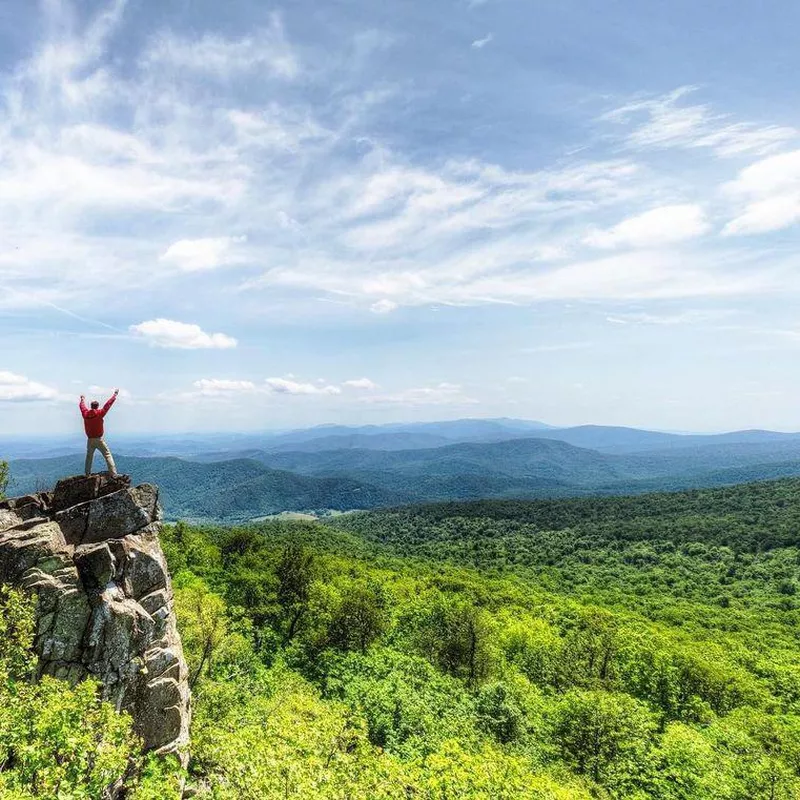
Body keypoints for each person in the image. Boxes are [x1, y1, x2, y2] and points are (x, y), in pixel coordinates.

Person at [80, 390, 119, 478]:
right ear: (97, 407)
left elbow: (82, 407)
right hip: (98, 439)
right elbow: (108, 404)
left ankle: (87, 474)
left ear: (91, 406)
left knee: (89, 457)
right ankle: (113, 474)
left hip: (90, 440)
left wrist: (82, 399)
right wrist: (115, 395)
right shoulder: (100, 413)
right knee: (107, 454)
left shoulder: (85, 414)